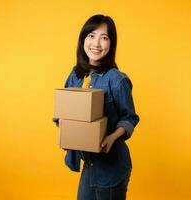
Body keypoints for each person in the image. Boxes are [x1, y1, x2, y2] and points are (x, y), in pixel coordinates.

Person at [53, 14, 140, 200]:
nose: (96, 43)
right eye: (91, 35)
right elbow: (63, 111)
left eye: (104, 37)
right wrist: (68, 132)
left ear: (111, 44)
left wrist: (111, 137)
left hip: (112, 167)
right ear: (83, 39)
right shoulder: (75, 75)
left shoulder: (117, 80)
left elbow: (130, 118)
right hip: (89, 165)